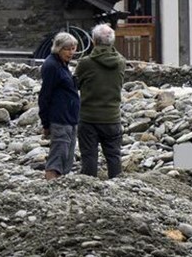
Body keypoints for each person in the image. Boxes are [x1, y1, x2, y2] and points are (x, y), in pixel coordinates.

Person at [74, 22, 126, 179]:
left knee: (89, 157)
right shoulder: (121, 62)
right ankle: (118, 189)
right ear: (112, 42)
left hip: (89, 118)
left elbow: (76, 83)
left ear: (93, 41)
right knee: (114, 157)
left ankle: (89, 192)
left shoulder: (85, 63)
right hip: (112, 118)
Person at [37, 32, 80, 179]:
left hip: (70, 117)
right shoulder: (52, 66)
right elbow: (44, 95)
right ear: (58, 48)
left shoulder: (62, 64)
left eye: (73, 49)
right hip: (60, 118)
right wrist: (45, 122)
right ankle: (51, 186)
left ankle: (60, 186)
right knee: (58, 155)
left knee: (67, 155)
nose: (71, 52)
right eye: (67, 49)